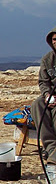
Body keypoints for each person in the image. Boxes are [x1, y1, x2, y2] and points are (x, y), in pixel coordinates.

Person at [32, 25, 56, 164]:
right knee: (37, 104)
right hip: (52, 94)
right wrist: (47, 95)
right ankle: (51, 148)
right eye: (54, 39)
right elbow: (43, 81)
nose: (55, 42)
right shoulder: (47, 59)